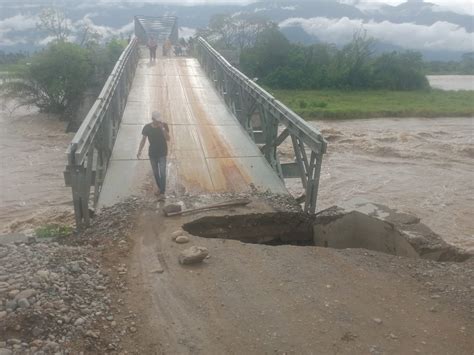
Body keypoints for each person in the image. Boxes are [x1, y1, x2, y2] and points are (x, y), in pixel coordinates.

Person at [137, 111, 170, 199]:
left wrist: (162, 128)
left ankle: (162, 192)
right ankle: (160, 188)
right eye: (157, 120)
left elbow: (168, 138)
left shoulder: (164, 125)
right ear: (152, 119)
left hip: (162, 153)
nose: (159, 122)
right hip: (152, 154)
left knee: (162, 173)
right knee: (155, 173)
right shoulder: (147, 127)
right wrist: (139, 151)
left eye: (159, 120)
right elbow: (143, 140)